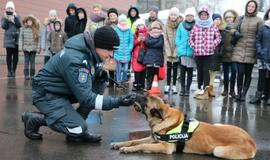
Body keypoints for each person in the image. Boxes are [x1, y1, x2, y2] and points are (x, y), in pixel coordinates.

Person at [21, 26, 136, 143]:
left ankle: (76, 126)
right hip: (46, 94)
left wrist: (98, 74)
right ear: (98, 45)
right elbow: (87, 99)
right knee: (77, 128)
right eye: (109, 49)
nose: (112, 55)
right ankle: (34, 119)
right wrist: (118, 101)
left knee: (100, 81)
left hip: (60, 90)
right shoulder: (76, 60)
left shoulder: (88, 50)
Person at [232, 0, 263, 101]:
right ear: (246, 7)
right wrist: (235, 32)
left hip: (252, 50)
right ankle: (239, 92)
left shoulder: (259, 20)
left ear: (255, 8)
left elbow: (261, 35)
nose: (250, 8)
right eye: (249, 6)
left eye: (252, 6)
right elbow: (232, 28)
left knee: (248, 74)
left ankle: (244, 94)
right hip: (239, 49)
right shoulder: (240, 18)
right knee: (240, 72)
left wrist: (258, 49)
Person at [189, 4, 221, 100]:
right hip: (198, 53)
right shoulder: (195, 26)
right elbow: (190, 38)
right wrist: (194, 46)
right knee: (199, 70)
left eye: (205, 14)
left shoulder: (212, 26)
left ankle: (205, 89)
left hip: (208, 53)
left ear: (208, 15)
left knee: (205, 70)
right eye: (201, 14)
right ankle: (199, 88)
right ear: (199, 16)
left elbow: (219, 38)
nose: (203, 16)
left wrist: (212, 44)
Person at [250, 8, 270, 104]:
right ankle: (258, 95)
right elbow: (258, 40)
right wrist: (260, 50)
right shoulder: (263, 27)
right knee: (262, 76)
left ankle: (268, 95)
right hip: (262, 56)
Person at [176, 7, 196, 96]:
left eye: (191, 15)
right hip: (182, 52)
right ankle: (182, 89)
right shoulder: (181, 25)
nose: (189, 17)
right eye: (188, 15)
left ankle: (188, 89)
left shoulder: (196, 25)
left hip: (191, 52)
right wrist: (179, 45)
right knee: (182, 71)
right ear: (185, 16)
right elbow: (177, 37)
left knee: (190, 72)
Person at [1, 1, 21, 77]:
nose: (10, 9)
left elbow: (19, 25)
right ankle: (9, 71)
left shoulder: (18, 17)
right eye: (8, 8)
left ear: (14, 9)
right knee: (9, 56)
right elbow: (3, 26)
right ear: (6, 9)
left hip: (16, 39)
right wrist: (6, 19)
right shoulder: (3, 17)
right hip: (8, 40)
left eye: (11, 8)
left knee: (15, 56)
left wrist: (15, 17)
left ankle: (14, 71)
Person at [221, 10, 239, 97]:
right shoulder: (222, 28)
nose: (229, 19)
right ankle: (225, 89)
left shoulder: (237, 27)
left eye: (230, 17)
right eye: (227, 17)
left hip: (234, 54)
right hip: (224, 54)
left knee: (234, 72)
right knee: (225, 73)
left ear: (234, 18)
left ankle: (232, 90)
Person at [163, 7, 181, 94]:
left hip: (177, 50)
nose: (173, 16)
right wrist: (168, 51)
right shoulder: (166, 25)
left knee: (175, 68)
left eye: (175, 15)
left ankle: (174, 85)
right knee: (169, 68)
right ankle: (167, 85)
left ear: (177, 16)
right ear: (169, 16)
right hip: (168, 50)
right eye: (171, 14)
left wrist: (176, 51)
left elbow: (181, 38)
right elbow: (165, 38)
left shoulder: (180, 25)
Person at [143, 21, 164, 90]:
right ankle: (148, 86)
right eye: (154, 28)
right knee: (149, 74)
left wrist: (152, 43)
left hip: (158, 58)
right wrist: (155, 41)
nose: (155, 29)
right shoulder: (148, 35)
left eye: (157, 28)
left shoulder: (161, 36)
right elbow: (147, 42)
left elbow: (160, 44)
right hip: (149, 58)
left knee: (156, 74)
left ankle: (155, 87)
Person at [208, 13, 225, 97]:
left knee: (214, 71)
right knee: (208, 70)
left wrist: (221, 51)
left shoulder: (222, 30)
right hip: (209, 51)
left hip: (217, 53)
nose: (217, 21)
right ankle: (206, 88)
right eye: (216, 19)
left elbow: (223, 42)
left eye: (219, 19)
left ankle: (211, 88)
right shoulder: (209, 28)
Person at [19, 15, 40, 80]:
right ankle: (26, 75)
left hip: (33, 48)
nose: (29, 22)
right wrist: (20, 47)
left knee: (32, 61)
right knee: (26, 61)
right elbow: (21, 38)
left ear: (33, 22)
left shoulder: (36, 29)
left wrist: (38, 48)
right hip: (26, 48)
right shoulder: (23, 29)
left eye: (30, 21)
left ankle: (32, 75)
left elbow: (38, 39)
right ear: (26, 22)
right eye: (28, 21)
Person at [114, 14, 134, 84]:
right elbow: (113, 39)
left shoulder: (129, 30)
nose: (123, 22)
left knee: (125, 69)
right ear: (119, 22)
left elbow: (131, 41)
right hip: (118, 52)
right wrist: (115, 48)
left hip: (126, 52)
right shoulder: (116, 29)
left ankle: (124, 81)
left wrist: (129, 48)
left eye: (124, 21)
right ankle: (118, 81)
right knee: (118, 69)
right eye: (122, 21)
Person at [131, 19, 147, 91]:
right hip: (136, 54)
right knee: (137, 69)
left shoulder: (147, 33)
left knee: (143, 69)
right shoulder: (134, 34)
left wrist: (144, 40)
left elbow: (148, 43)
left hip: (144, 53)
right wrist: (138, 40)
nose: (141, 26)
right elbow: (132, 44)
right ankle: (136, 84)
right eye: (139, 25)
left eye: (142, 25)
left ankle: (142, 84)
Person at [105, 8, 119, 87]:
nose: (112, 17)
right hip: (109, 47)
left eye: (114, 15)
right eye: (110, 15)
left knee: (118, 64)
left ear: (117, 16)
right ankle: (111, 82)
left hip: (118, 47)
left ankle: (117, 81)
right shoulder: (107, 25)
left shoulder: (120, 24)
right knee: (110, 65)